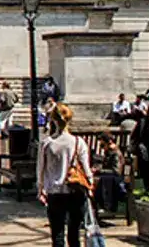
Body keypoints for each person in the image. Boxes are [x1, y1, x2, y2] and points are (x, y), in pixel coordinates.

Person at [37, 104, 91, 247]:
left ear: (53, 120)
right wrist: (90, 185)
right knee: (74, 234)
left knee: (57, 233)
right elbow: (86, 168)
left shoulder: (47, 143)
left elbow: (40, 169)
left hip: (55, 191)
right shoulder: (79, 142)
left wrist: (40, 188)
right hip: (76, 190)